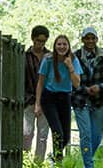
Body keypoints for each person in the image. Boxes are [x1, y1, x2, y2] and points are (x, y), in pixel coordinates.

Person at [35, 34, 82, 165]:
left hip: (65, 97)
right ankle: (57, 163)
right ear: (55, 46)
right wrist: (37, 104)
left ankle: (53, 157)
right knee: (58, 132)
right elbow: (40, 82)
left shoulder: (73, 59)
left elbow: (77, 84)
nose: (61, 47)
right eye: (59, 44)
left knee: (65, 136)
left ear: (68, 46)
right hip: (49, 97)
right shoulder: (48, 60)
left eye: (64, 44)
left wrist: (70, 67)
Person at [72, 27, 103, 168]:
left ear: (96, 39)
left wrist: (100, 86)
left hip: (98, 100)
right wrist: (85, 89)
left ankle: (86, 160)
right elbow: (72, 79)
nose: (90, 41)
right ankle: (89, 165)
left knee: (97, 135)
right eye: (87, 38)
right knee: (86, 135)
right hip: (81, 100)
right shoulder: (75, 56)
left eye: (92, 38)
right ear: (83, 39)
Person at [23, 26, 52, 161]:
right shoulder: (24, 56)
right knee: (26, 133)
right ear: (33, 39)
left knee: (43, 135)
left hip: (46, 100)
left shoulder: (50, 57)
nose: (40, 44)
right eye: (38, 40)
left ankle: (38, 162)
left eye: (43, 41)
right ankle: (25, 160)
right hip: (28, 99)